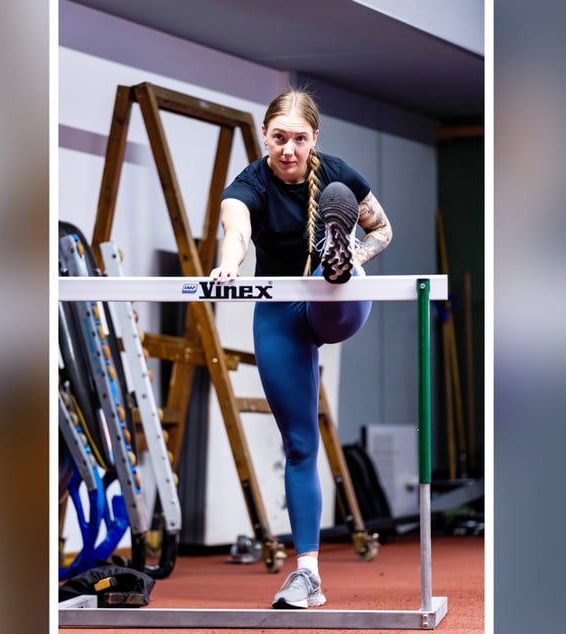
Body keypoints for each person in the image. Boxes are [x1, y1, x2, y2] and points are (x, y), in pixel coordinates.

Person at [209, 88, 393, 609]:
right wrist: (229, 264)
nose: (288, 149)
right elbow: (237, 229)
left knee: (332, 274)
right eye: (278, 138)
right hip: (279, 310)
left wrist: (360, 250)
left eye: (299, 139)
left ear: (315, 139)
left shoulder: (336, 172)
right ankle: (306, 576)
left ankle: (336, 262)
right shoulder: (249, 182)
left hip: (337, 299)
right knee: (299, 445)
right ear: (264, 136)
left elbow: (383, 229)